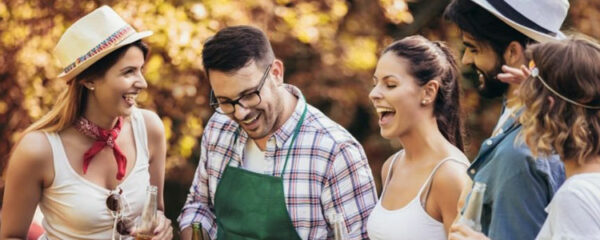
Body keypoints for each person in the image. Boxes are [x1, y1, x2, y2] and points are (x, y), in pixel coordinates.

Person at [177, 25, 378, 240]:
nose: (241, 112)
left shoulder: (335, 152)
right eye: (226, 101)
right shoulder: (219, 127)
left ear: (276, 73)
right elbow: (200, 205)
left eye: (249, 94)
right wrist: (195, 229)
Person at [1, 6, 172, 239]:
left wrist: (161, 225)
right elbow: (10, 236)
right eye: (129, 72)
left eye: (141, 70)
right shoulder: (38, 150)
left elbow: (156, 210)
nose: (142, 83)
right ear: (90, 79)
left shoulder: (150, 129)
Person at [444, 0, 568, 239]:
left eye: (474, 48)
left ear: (512, 52)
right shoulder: (515, 115)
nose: (466, 60)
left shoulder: (519, 154)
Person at [366, 35, 471, 239]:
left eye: (390, 84)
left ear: (429, 92)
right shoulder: (391, 167)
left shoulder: (451, 176)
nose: (374, 94)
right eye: (375, 83)